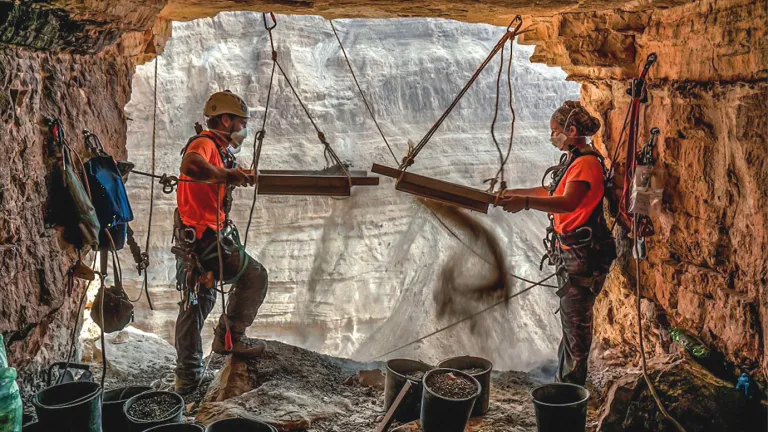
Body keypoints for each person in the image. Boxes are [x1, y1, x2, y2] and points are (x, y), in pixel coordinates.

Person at [498, 100, 616, 386]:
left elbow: (568, 201)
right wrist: (512, 193)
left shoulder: (586, 164)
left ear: (571, 130)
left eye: (555, 131)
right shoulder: (574, 160)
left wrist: (525, 203)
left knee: (576, 324)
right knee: (570, 320)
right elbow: (552, 190)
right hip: (572, 251)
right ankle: (566, 383)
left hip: (583, 254)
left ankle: (571, 392)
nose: (552, 137)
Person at [172, 90, 269, 393]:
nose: (242, 129)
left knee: (198, 304)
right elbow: (191, 166)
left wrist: (233, 175)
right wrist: (230, 176)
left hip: (199, 239)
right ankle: (232, 338)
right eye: (240, 123)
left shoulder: (218, 149)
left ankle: (188, 376)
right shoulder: (204, 144)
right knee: (254, 276)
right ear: (225, 119)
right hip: (203, 242)